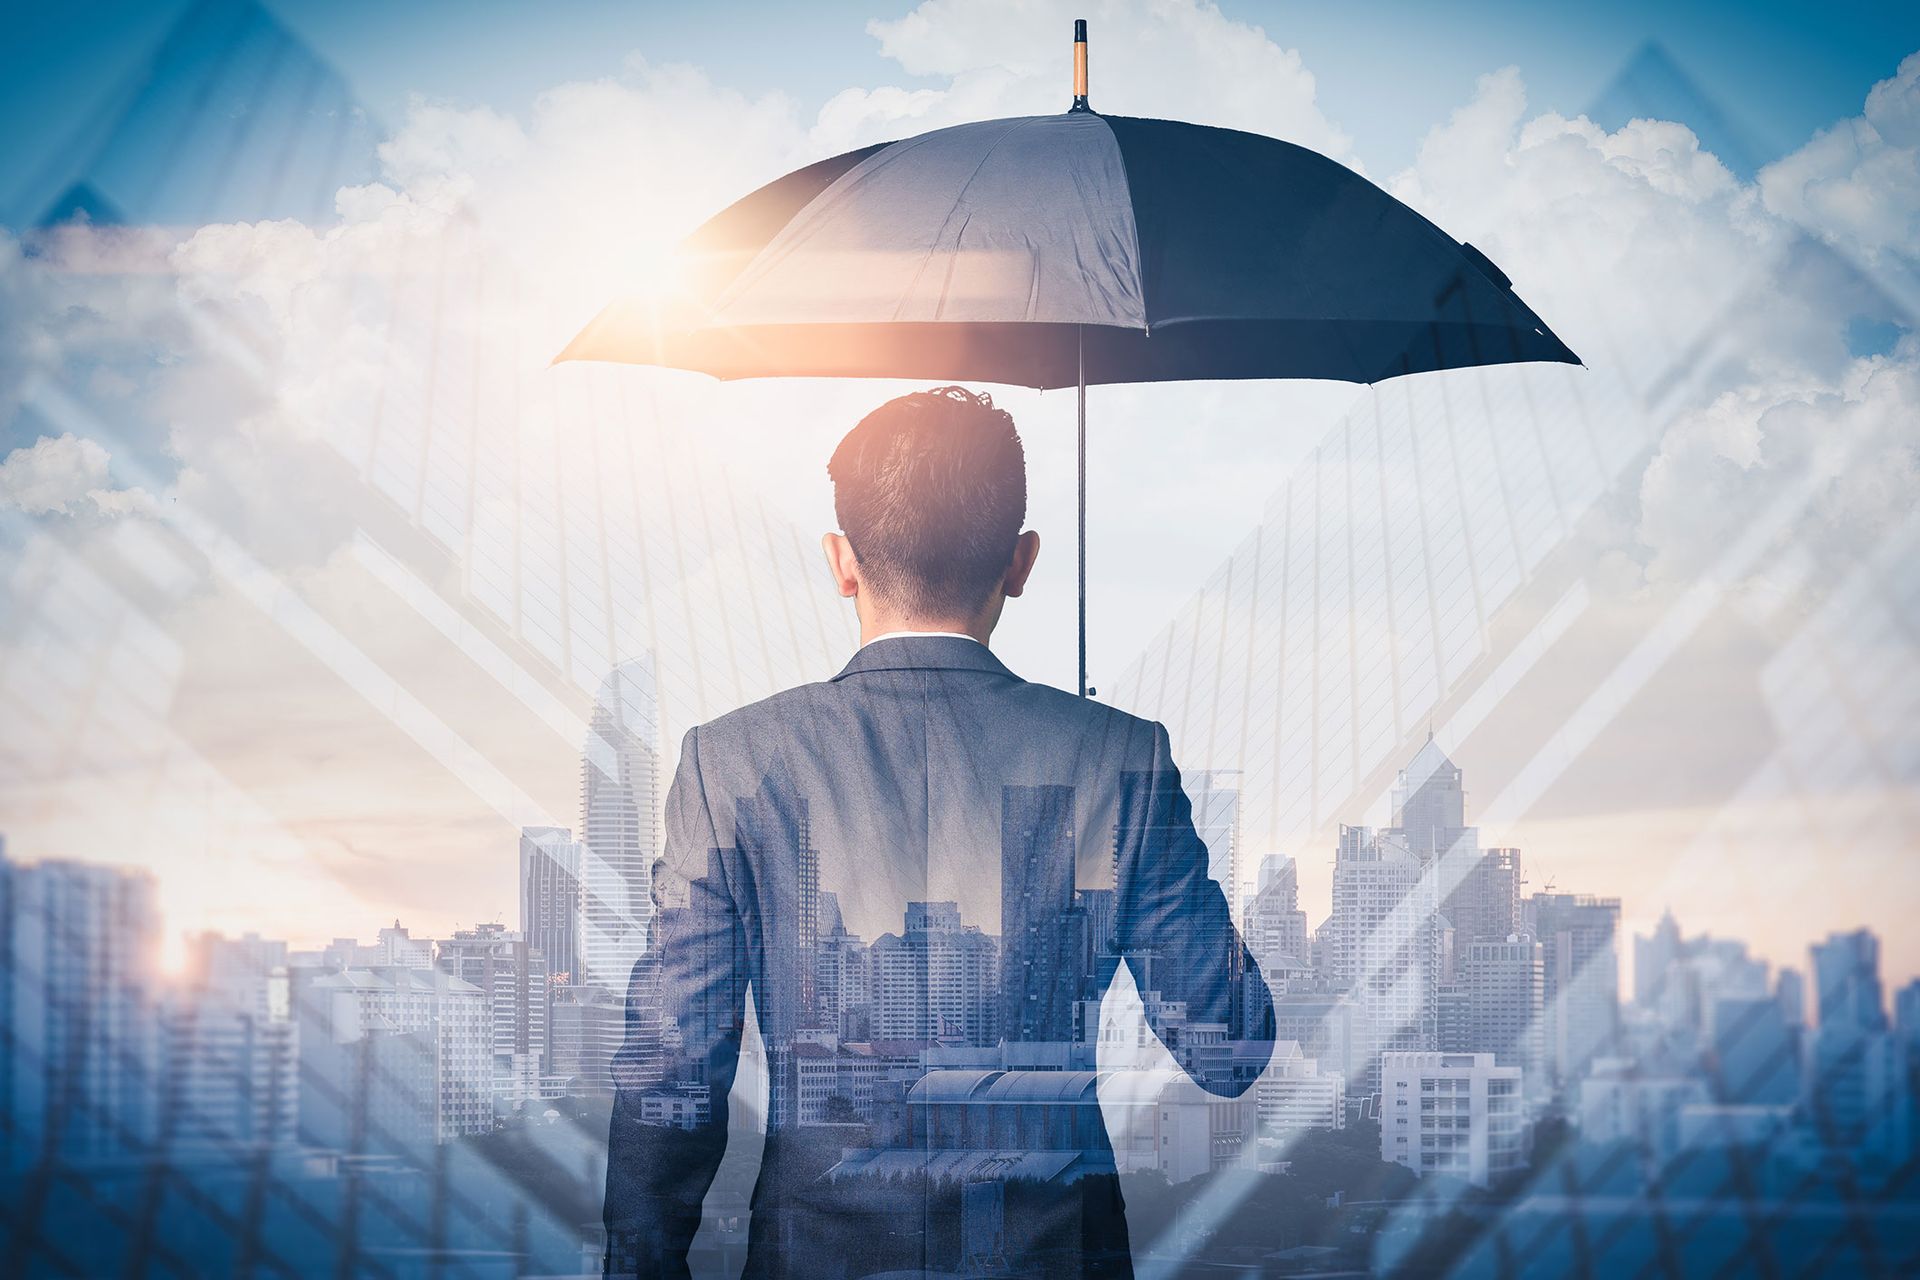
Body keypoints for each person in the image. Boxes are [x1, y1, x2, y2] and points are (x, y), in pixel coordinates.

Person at [605, 387, 1272, 1279]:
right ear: (1023, 561)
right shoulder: (1119, 758)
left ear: (841, 562)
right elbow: (1231, 1047)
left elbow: (670, 1072)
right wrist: (1130, 804)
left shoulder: (729, 761)